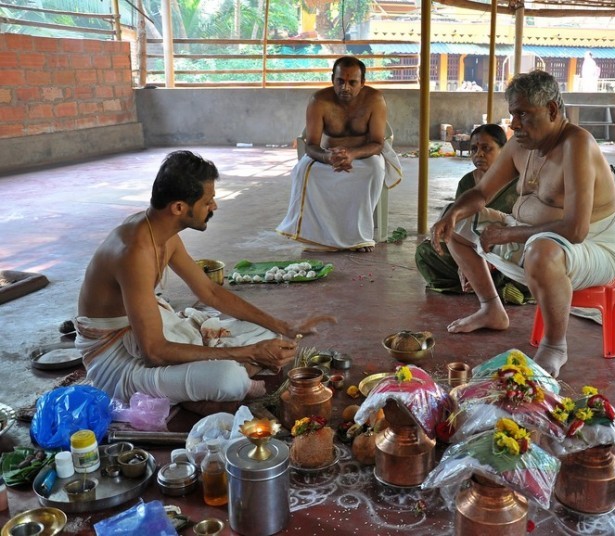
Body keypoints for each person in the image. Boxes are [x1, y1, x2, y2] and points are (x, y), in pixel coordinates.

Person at [74, 150, 335, 409]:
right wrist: (249, 353)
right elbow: (153, 352)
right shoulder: (134, 250)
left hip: (149, 333)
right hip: (116, 360)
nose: (214, 206)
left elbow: (209, 291)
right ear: (179, 207)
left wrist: (285, 326)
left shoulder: (162, 233)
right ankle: (213, 387)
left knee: (271, 335)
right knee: (229, 379)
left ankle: (202, 388)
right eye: (207, 201)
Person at [430, 70, 615, 378]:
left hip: (591, 247)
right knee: (455, 225)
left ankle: (555, 347)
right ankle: (491, 307)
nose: (514, 124)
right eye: (512, 115)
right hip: (529, 235)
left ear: (551, 110)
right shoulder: (520, 144)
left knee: (542, 252)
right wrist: (452, 214)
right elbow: (481, 192)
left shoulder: (577, 145)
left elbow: (576, 229)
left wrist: (508, 234)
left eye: (523, 114)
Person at [277, 56, 402, 252]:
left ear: (362, 82)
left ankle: (359, 238)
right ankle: (317, 236)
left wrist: (352, 154)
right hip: (327, 157)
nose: (345, 88)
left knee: (376, 169)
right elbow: (311, 145)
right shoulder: (318, 100)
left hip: (364, 155)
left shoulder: (375, 100)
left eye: (352, 82)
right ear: (332, 79)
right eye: (340, 81)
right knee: (303, 171)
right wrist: (328, 157)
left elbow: (378, 143)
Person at [415, 124, 523, 297]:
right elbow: (458, 227)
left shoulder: (519, 182)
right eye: (474, 149)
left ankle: (492, 285)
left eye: (486, 148)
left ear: (504, 151)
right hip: (470, 248)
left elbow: (521, 229)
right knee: (425, 253)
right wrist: (464, 263)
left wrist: (491, 260)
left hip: (506, 250)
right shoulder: (466, 183)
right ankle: (490, 286)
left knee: (535, 262)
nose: (478, 154)